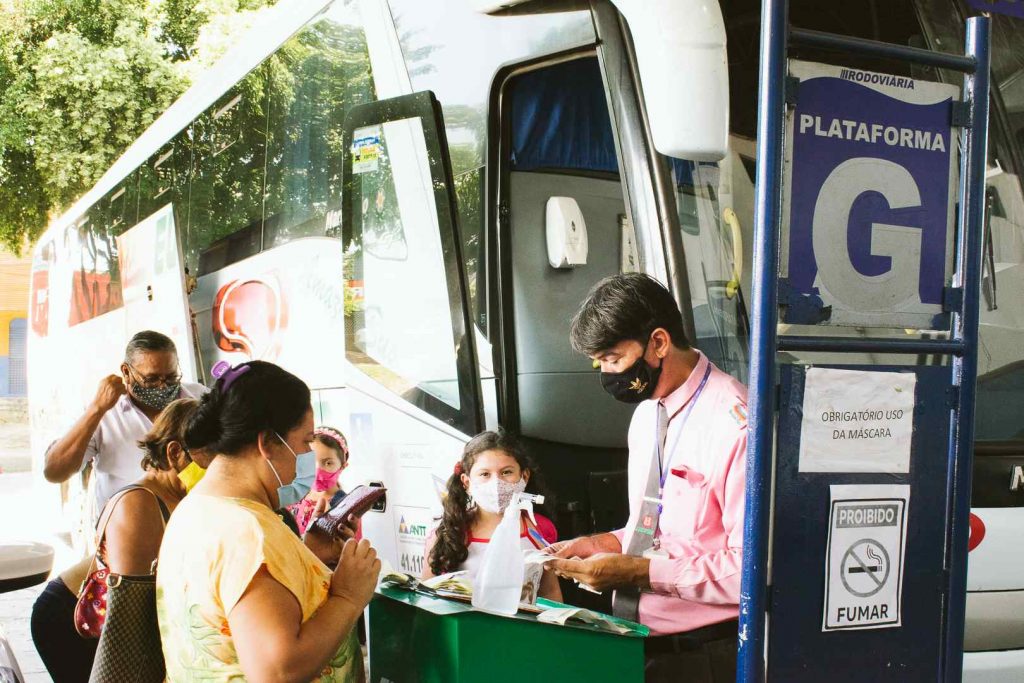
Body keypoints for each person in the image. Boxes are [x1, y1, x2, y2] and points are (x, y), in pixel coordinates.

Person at [547, 273, 748, 683]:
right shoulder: (646, 415)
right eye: (599, 362)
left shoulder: (736, 425)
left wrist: (638, 573)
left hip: (703, 654)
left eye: (612, 359)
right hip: (638, 643)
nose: (606, 374)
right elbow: (651, 529)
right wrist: (600, 544)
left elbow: (747, 569)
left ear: (658, 343)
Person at [157, 360, 379, 681]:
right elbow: (277, 671)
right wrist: (348, 597)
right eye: (305, 442)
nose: (308, 459)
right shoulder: (246, 531)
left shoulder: (197, 509)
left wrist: (308, 556)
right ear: (267, 443)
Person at [30, 398, 204, 683]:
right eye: (208, 458)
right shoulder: (140, 502)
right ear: (174, 453)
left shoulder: (186, 497)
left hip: (110, 622)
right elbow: (131, 612)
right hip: (71, 619)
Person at [43, 330, 206, 515]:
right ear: (126, 372)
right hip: (128, 528)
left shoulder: (199, 397)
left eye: (171, 377)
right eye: (151, 379)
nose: (163, 387)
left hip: (192, 522)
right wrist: (96, 409)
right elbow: (54, 472)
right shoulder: (104, 415)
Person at [422, 430, 562, 602]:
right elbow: (427, 597)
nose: (496, 483)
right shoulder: (448, 532)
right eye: (484, 474)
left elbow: (550, 592)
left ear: (524, 476)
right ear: (467, 482)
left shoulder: (540, 528)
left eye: (506, 472)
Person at [288, 426, 351, 536]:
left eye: (328, 463)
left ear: (343, 465)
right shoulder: (294, 496)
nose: (317, 471)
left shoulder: (346, 507)